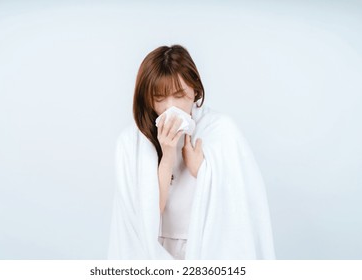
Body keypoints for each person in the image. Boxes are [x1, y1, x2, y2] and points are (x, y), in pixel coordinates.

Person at [108, 45, 275, 260]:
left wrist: (202, 170)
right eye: (159, 98)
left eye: (178, 96)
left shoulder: (221, 130)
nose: (170, 107)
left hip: (207, 245)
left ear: (195, 91)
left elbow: (241, 202)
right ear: (148, 100)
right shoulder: (132, 142)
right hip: (155, 247)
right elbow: (143, 215)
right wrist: (167, 156)